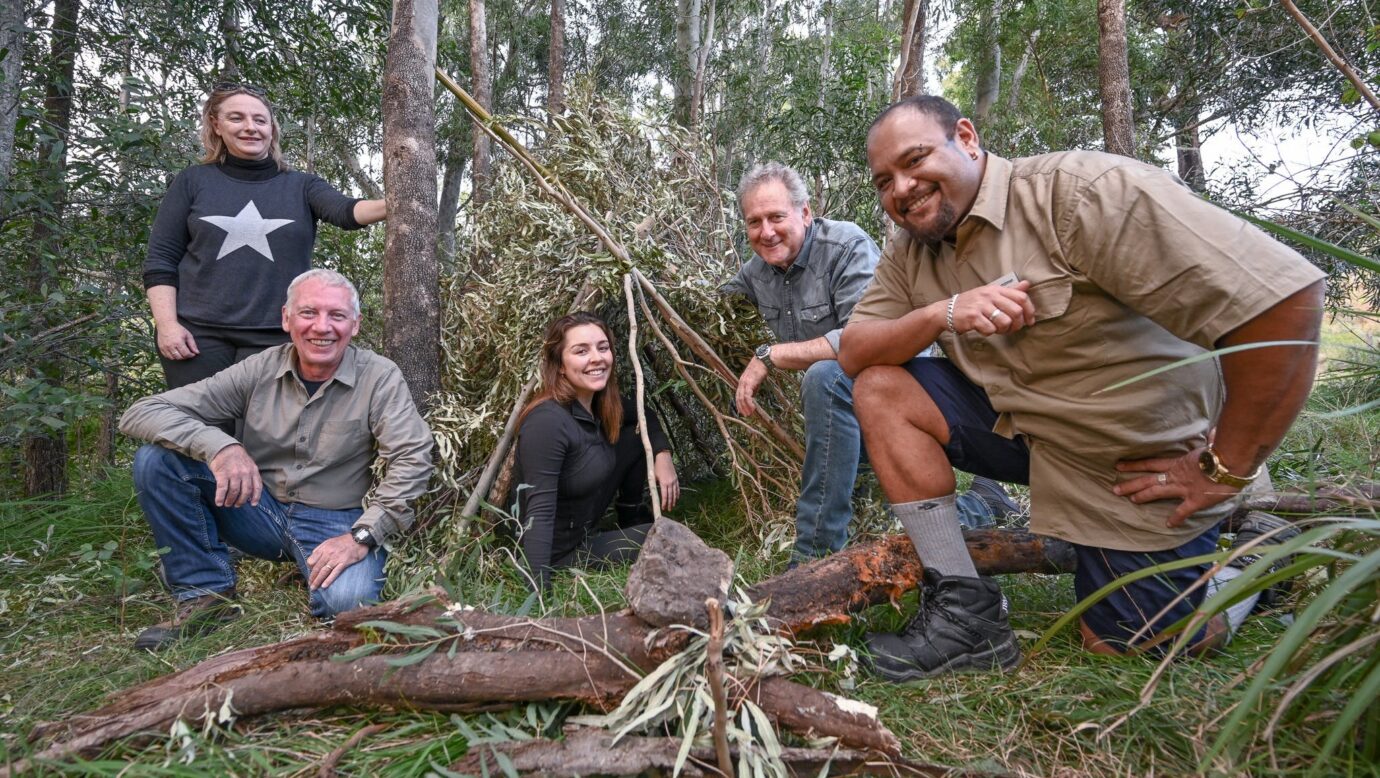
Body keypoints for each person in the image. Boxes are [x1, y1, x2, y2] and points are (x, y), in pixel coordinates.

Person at [838, 95, 1325, 680]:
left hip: (1129, 462)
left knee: (1130, 643)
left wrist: (1229, 466)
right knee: (881, 386)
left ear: (966, 138)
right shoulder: (911, 251)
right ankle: (968, 615)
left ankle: (1259, 556)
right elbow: (855, 351)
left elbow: (1285, 301)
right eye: (884, 181)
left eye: (915, 160)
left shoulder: (1080, 193)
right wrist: (942, 313)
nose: (902, 188)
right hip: (1028, 435)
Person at [119, 269, 433, 651]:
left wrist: (363, 536)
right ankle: (206, 595)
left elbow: (412, 457)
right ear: (286, 318)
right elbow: (143, 412)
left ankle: (315, 568)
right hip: (255, 508)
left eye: (336, 315)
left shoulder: (379, 377)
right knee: (157, 461)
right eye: (308, 313)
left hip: (336, 520)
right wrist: (220, 447)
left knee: (350, 605)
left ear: (355, 324)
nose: (323, 327)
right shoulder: (260, 368)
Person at [723, 162, 1019, 564]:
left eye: (776, 216)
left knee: (825, 376)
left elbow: (861, 340)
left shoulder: (846, 246)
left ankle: (813, 558)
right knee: (881, 521)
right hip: (840, 410)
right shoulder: (756, 273)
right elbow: (715, 309)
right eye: (754, 222)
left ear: (805, 213)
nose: (766, 231)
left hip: (896, 387)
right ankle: (985, 502)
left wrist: (770, 355)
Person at [143, 81, 387, 390]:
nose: (250, 128)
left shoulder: (301, 185)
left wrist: (400, 204)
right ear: (216, 125)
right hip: (197, 337)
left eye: (260, 120)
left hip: (275, 337)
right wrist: (166, 326)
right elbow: (160, 261)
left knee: (266, 434)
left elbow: (347, 212)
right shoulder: (193, 181)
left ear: (272, 129)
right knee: (201, 433)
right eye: (237, 118)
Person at [511, 312, 680, 591]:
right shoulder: (547, 422)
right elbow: (538, 514)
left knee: (634, 435)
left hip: (586, 526)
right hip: (561, 552)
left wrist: (662, 453)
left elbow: (643, 413)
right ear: (560, 365)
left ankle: (630, 515)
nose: (597, 358)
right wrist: (538, 595)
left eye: (603, 348)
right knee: (668, 540)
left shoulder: (600, 401)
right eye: (581, 351)